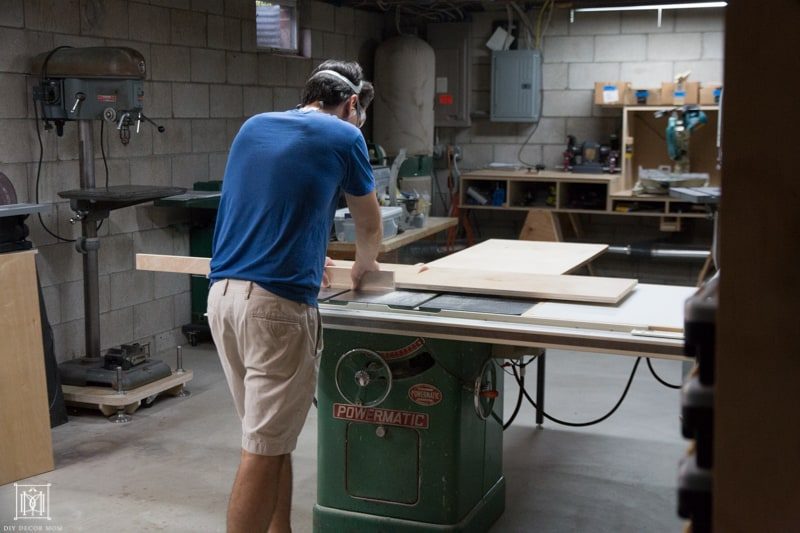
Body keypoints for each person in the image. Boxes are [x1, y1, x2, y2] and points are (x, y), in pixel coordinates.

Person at [206, 60, 382, 533]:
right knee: (262, 450)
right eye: (359, 114)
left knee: (271, 438)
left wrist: (308, 251)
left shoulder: (254, 127)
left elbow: (275, 202)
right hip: (277, 310)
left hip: (222, 299)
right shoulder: (346, 136)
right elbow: (368, 222)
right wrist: (365, 263)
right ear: (351, 104)